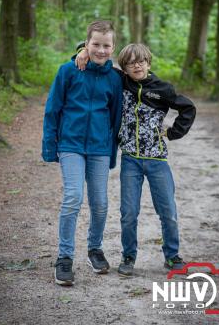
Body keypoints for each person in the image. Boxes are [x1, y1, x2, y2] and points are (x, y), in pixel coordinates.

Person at [76, 43, 196, 277]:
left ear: (148, 62)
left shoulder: (163, 89)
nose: (137, 65)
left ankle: (172, 256)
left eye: (141, 61)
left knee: (168, 211)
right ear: (125, 67)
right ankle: (128, 256)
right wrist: (82, 50)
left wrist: (173, 133)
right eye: (131, 63)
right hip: (130, 160)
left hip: (157, 161)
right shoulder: (121, 81)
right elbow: (99, 57)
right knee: (129, 212)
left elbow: (188, 108)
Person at [42, 20, 123, 286]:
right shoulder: (68, 71)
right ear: (86, 44)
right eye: (95, 44)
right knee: (73, 197)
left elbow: (115, 117)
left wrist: (111, 153)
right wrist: (49, 146)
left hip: (99, 147)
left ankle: (95, 249)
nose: (101, 50)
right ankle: (64, 258)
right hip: (71, 145)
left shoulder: (115, 78)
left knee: (100, 203)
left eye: (106, 45)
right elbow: (53, 109)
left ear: (113, 47)